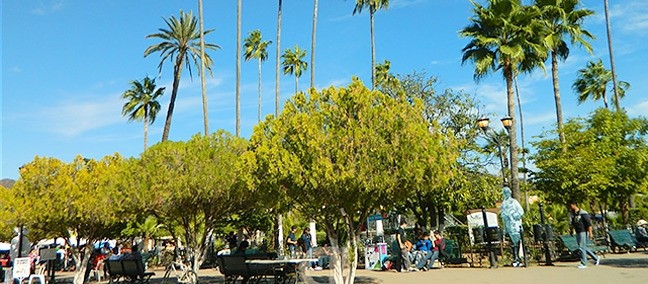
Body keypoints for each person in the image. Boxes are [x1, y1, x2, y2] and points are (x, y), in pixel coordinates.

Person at [569, 201, 600, 268]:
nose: (570, 207)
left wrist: (590, 233)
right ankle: (596, 258)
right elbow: (573, 224)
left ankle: (584, 263)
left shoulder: (583, 213)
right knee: (583, 247)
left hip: (583, 231)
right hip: (577, 232)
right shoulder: (573, 214)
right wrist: (571, 231)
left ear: (574, 205)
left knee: (581, 247)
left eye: (570, 205)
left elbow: (589, 224)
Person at [499, 186, 524, 267]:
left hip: (515, 225)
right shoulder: (503, 203)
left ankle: (519, 258)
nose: (506, 194)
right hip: (508, 225)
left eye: (507, 192)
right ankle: (515, 258)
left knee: (517, 241)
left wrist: (514, 215)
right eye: (504, 193)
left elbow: (520, 211)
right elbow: (502, 213)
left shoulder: (514, 202)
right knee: (512, 243)